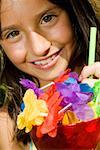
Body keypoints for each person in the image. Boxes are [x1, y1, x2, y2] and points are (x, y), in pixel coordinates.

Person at [0, 0, 100, 149]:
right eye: (13, 34)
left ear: (72, 12)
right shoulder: (8, 125)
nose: (39, 48)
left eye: (47, 18)